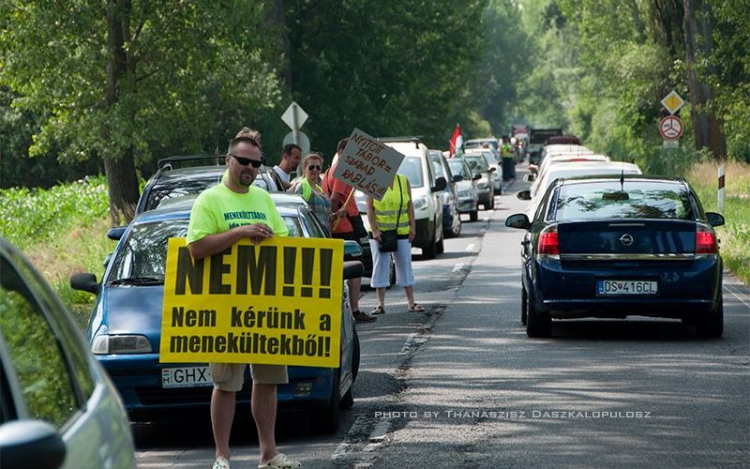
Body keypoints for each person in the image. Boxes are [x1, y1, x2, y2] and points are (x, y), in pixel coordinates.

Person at [187, 128, 302, 469]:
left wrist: (267, 240)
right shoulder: (209, 200)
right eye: (243, 161)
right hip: (224, 310)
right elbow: (196, 247)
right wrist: (240, 233)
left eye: (255, 163)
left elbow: (283, 244)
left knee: (267, 382)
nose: (249, 168)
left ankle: (268, 453)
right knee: (225, 384)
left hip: (265, 308)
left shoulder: (264, 199)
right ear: (228, 160)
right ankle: (222, 456)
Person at [322, 138, 377, 323]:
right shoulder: (341, 170)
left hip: (341, 224)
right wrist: (335, 215)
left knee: (345, 268)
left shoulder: (330, 170)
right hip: (346, 225)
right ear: (342, 152)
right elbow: (335, 197)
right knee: (355, 267)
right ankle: (354, 309)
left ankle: (349, 307)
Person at [365, 172, 425, 315]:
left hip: (401, 230)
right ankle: (380, 304)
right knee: (380, 265)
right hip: (380, 232)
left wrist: (413, 227)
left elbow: (409, 205)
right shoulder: (373, 180)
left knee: (405, 263)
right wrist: (374, 230)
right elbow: (369, 208)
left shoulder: (403, 181)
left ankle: (411, 302)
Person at [290, 152, 338, 235]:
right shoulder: (302, 186)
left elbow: (325, 216)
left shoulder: (320, 189)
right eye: (311, 167)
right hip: (311, 235)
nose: (315, 170)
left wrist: (337, 215)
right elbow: (294, 214)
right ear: (304, 169)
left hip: (324, 235)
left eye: (318, 167)